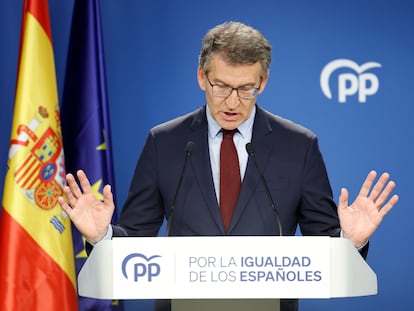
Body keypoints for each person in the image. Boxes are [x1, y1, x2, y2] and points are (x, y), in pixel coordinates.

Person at [59, 21, 399, 311]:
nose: (232, 102)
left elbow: (324, 249)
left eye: (246, 89)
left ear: (263, 82)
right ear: (202, 78)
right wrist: (100, 236)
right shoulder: (165, 142)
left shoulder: (299, 146)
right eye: (221, 86)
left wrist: (350, 242)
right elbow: (134, 242)